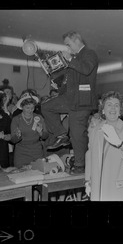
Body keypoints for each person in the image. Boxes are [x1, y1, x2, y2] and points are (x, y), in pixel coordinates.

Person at [41, 31, 99, 174]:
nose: (68, 48)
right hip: (71, 98)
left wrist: (69, 60)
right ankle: (61, 134)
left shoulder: (89, 54)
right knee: (46, 106)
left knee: (77, 134)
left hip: (82, 102)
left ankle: (80, 165)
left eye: (69, 44)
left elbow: (86, 69)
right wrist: (56, 83)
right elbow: (69, 84)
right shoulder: (75, 58)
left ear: (77, 40)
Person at [85, 91, 123, 201]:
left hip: (119, 187)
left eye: (116, 105)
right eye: (109, 105)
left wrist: (120, 143)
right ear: (103, 110)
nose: (113, 108)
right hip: (98, 185)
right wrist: (87, 180)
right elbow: (89, 154)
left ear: (120, 111)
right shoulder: (96, 130)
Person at [11, 92, 49, 168]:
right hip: (21, 153)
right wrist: (18, 136)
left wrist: (41, 133)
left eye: (32, 108)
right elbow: (13, 140)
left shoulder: (39, 117)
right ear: (22, 107)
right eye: (27, 108)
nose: (30, 110)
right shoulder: (16, 119)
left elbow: (46, 136)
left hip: (37, 151)